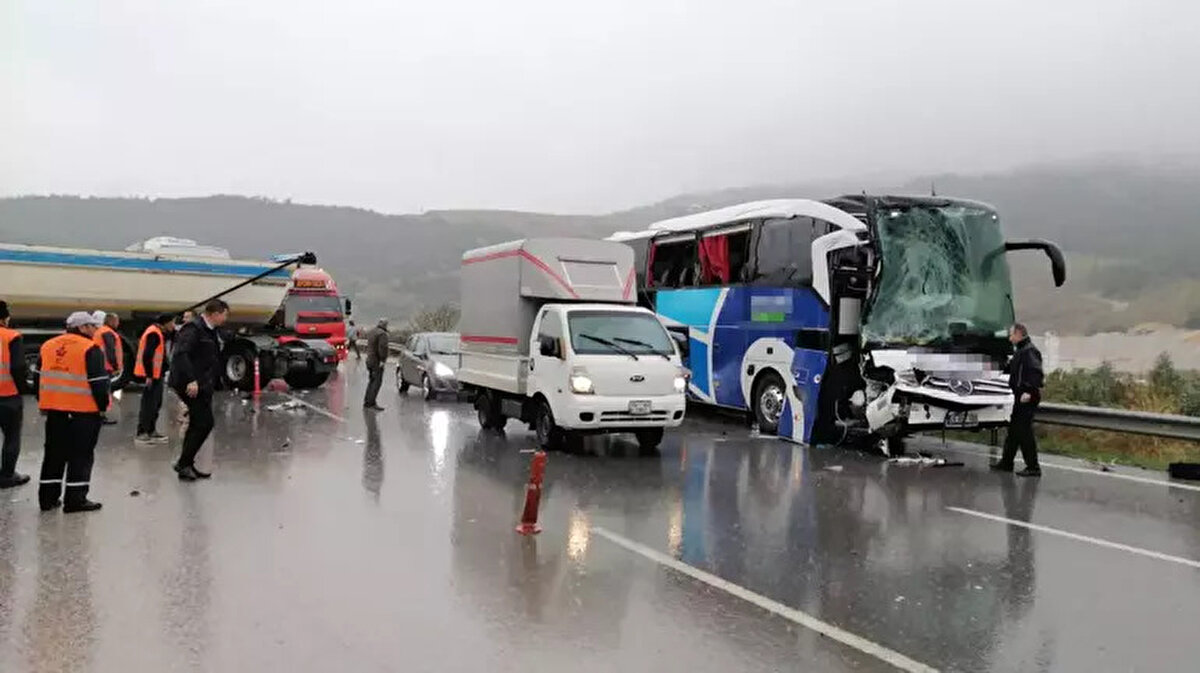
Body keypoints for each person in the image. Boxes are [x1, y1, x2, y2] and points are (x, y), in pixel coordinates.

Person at [36, 311, 110, 512]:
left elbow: (37, 379)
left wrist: (44, 402)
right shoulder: (90, 348)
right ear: (82, 328)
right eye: (92, 326)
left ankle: (47, 499)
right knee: (81, 456)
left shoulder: (48, 346)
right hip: (83, 413)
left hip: (54, 411)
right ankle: (75, 500)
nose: (95, 330)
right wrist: (103, 408)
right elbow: (98, 384)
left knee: (53, 455)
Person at [170, 300, 228, 481]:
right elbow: (181, 354)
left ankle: (186, 464)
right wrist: (191, 380)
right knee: (204, 423)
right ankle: (183, 463)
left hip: (203, 384)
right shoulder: (194, 329)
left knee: (197, 423)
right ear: (215, 313)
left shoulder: (210, 331)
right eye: (225, 314)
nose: (226, 319)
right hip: (190, 385)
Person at [992, 323, 1045, 477]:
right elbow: (1013, 370)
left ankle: (1033, 466)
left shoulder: (1029, 351)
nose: (1010, 338)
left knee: (1024, 432)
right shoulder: (1021, 351)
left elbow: (1036, 373)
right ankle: (1007, 462)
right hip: (1018, 396)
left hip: (1027, 397)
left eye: (1011, 335)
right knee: (1014, 431)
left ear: (1019, 334)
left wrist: (1029, 390)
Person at [0, 301, 32, 488]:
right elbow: (18, 367)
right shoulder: (11, 336)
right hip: (7, 396)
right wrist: (23, 389)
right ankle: (7, 476)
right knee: (12, 437)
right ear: (4, 318)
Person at [135, 313, 175, 444]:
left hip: (156, 375)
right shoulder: (154, 333)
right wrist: (150, 375)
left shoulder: (157, 332)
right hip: (153, 376)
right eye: (172, 323)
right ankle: (143, 432)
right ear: (166, 323)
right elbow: (147, 355)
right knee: (149, 405)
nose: (173, 325)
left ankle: (151, 431)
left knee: (155, 404)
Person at [93, 311, 123, 425]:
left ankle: (99, 414)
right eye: (116, 321)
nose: (118, 323)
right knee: (104, 391)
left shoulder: (101, 331)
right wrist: (115, 366)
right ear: (111, 321)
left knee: (100, 390)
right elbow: (110, 351)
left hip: (99, 365)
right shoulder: (107, 333)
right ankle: (101, 416)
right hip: (105, 367)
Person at [363, 318, 390, 411]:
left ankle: (367, 401)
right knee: (377, 382)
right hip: (376, 361)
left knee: (371, 381)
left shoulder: (372, 332)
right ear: (385, 325)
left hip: (369, 360)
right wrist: (383, 360)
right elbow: (383, 348)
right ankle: (371, 403)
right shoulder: (382, 334)